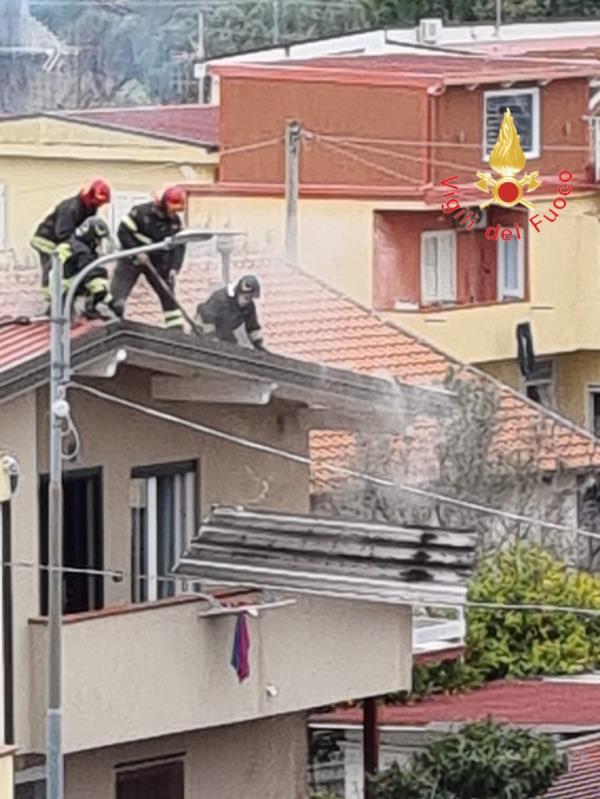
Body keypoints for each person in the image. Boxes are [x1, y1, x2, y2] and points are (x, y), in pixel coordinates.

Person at [110, 186, 195, 330]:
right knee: (118, 294)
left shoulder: (175, 223)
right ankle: (113, 324)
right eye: (172, 208)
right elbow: (123, 232)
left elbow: (179, 246)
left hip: (157, 261)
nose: (174, 213)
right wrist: (137, 252)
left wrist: (175, 267)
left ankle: (175, 331)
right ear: (164, 203)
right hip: (131, 258)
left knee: (168, 295)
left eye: (177, 210)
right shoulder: (141, 213)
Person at [31, 179, 111, 290]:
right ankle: (51, 292)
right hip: (47, 239)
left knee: (71, 260)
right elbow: (63, 234)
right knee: (55, 264)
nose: (99, 205)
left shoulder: (90, 208)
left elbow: (83, 233)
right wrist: (81, 249)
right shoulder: (71, 208)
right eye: (98, 202)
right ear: (90, 195)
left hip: (63, 240)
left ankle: (62, 294)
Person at [52, 216, 115, 320]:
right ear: (90, 237)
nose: (99, 243)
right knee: (97, 273)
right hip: (63, 288)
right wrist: (107, 299)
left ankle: (62, 311)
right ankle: (89, 309)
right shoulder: (82, 251)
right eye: (97, 239)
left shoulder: (73, 244)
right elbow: (90, 272)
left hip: (59, 286)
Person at [196, 275, 265, 350]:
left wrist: (258, 343)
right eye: (246, 297)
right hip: (203, 333)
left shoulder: (248, 306)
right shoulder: (220, 300)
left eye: (251, 298)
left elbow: (252, 327)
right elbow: (206, 319)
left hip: (225, 334)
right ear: (238, 293)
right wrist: (212, 340)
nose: (247, 302)